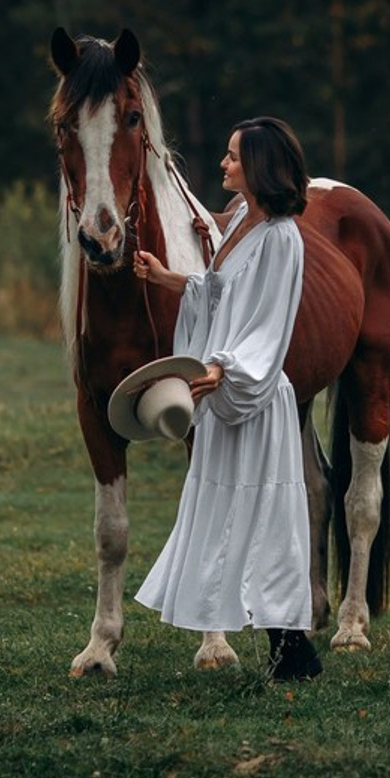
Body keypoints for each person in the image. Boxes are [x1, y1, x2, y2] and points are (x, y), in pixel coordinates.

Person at [131, 116, 321, 681]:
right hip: (223, 395)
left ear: (258, 165)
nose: (223, 164)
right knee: (231, 514)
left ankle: (293, 648)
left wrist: (225, 365)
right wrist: (169, 279)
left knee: (265, 517)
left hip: (252, 398)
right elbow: (222, 291)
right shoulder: (240, 220)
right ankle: (285, 645)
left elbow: (268, 320)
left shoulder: (282, 237)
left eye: (233, 156)